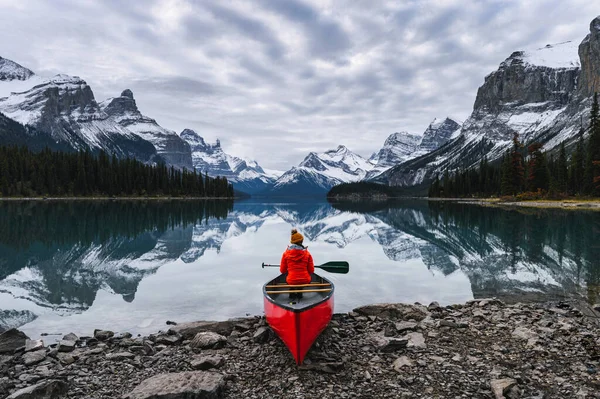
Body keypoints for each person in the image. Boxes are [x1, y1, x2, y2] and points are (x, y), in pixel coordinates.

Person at [280, 228, 314, 300]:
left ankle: (292, 295)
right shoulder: (307, 254)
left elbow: (282, 271)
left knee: (290, 279)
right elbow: (311, 271)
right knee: (301, 280)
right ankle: (299, 294)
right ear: (302, 241)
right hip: (305, 280)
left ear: (292, 242)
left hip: (291, 280)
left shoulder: (285, 254)